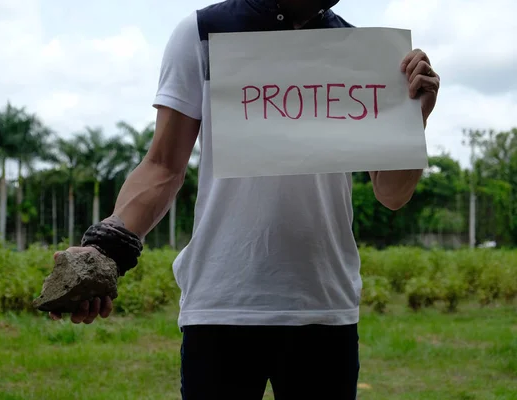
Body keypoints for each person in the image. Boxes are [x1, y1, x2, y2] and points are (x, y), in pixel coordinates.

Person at [49, 0, 440, 398]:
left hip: (323, 303)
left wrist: (414, 120)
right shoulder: (203, 33)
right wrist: (106, 248)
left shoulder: (362, 52)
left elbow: (392, 193)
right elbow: (163, 166)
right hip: (222, 302)